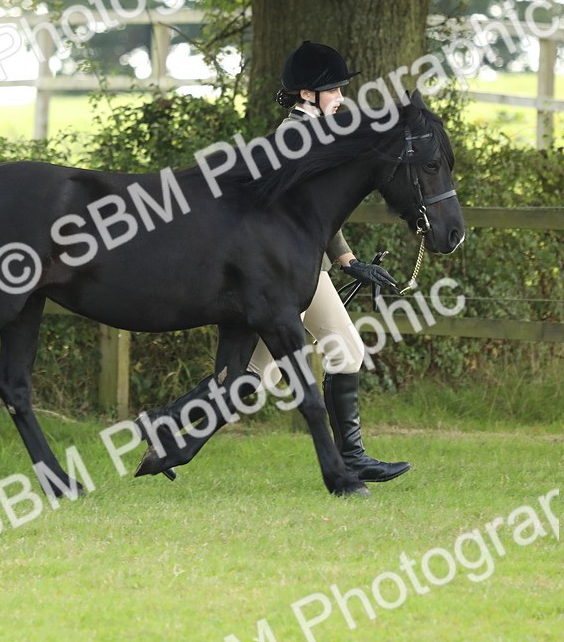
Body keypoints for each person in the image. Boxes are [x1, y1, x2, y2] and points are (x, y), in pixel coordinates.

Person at [144, 41, 411, 491]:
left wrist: (348, 261)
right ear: (308, 95)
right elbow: (300, 219)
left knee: (287, 367)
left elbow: (317, 219)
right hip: (282, 276)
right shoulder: (294, 140)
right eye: (335, 91)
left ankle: (167, 424)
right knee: (306, 362)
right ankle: (350, 460)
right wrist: (344, 261)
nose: (342, 99)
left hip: (304, 272)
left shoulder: (317, 135)